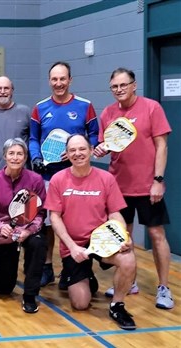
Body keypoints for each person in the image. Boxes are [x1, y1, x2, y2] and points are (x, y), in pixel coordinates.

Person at [93, 67, 174, 310]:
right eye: (114, 87)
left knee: (156, 234)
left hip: (148, 186)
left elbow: (162, 146)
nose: (119, 90)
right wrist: (101, 149)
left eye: (123, 85)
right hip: (119, 186)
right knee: (123, 235)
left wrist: (158, 180)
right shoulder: (108, 113)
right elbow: (107, 144)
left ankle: (164, 287)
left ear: (134, 85)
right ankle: (131, 281)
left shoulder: (151, 108)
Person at [46, 134, 137, 330]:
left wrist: (124, 236)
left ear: (90, 150)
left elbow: (114, 213)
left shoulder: (106, 178)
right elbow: (55, 218)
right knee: (80, 304)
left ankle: (117, 305)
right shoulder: (58, 179)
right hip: (74, 245)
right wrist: (72, 247)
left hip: (103, 240)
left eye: (82, 149)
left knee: (128, 258)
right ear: (67, 154)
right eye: (72, 150)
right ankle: (85, 276)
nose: (77, 153)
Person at [30, 62, 99, 287]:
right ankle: (48, 267)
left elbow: (94, 136)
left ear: (70, 80)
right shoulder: (39, 108)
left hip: (79, 176)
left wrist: (80, 152)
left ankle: (79, 267)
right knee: (49, 224)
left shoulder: (85, 106)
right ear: (49, 81)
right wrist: (36, 158)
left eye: (62, 79)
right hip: (49, 177)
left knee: (78, 223)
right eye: (54, 79)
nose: (58, 83)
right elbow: (33, 138)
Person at [0, 138, 47, 313]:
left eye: (20, 154)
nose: (15, 157)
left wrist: (28, 230)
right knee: (1, 289)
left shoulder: (36, 180)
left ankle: (30, 295)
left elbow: (41, 213)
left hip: (28, 230)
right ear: (4, 156)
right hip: (5, 232)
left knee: (38, 243)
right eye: (11, 153)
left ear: (25, 157)